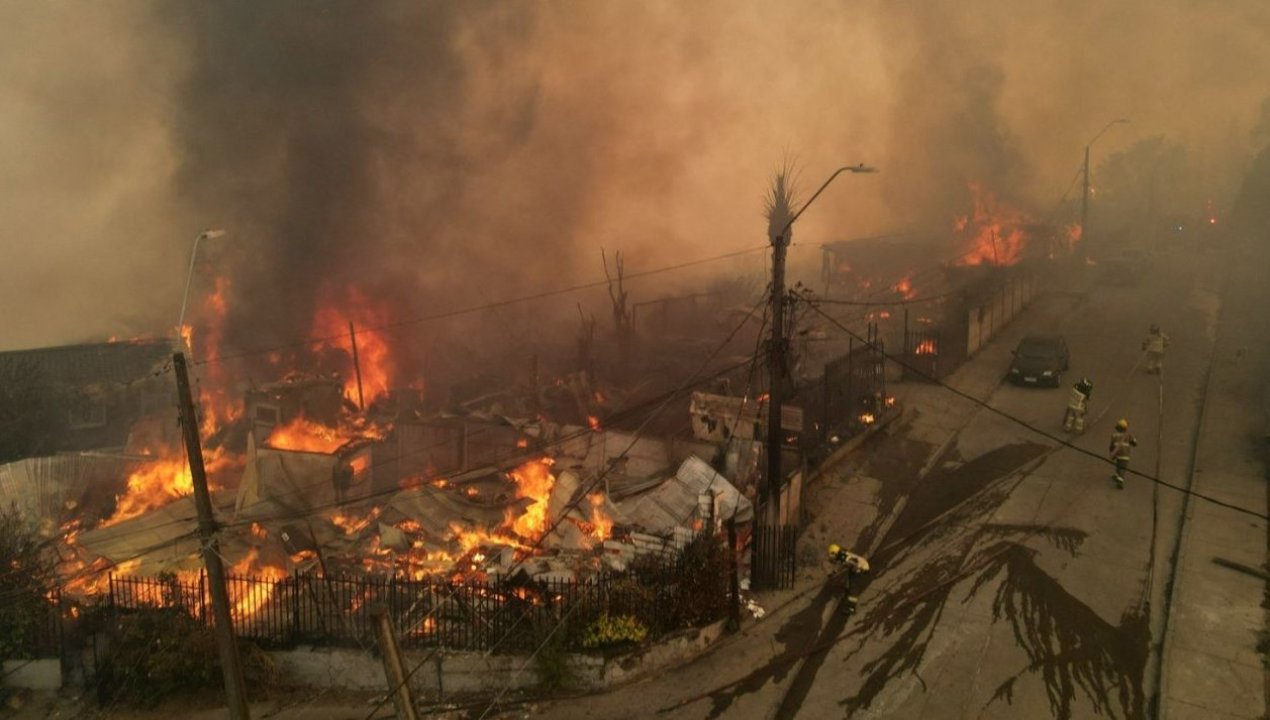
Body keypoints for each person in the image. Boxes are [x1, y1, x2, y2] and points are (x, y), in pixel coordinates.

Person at [1109, 418, 1138, 488]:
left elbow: (1111, 446)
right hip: (1125, 455)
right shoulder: (1128, 435)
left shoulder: (1114, 435)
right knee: (1123, 467)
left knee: (1118, 464)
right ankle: (1120, 480)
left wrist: (1111, 452)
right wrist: (1134, 442)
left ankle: (1116, 475)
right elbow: (1134, 443)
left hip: (1117, 454)